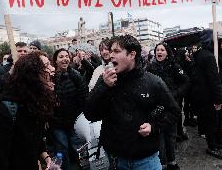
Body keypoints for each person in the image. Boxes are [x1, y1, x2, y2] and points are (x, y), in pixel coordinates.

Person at [84, 35, 180, 170]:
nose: (111, 55)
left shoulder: (153, 82)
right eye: (110, 51)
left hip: (146, 160)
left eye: (116, 51)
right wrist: (104, 87)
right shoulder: (106, 79)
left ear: (132, 54)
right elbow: (90, 114)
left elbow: (174, 111)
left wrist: (153, 126)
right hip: (115, 159)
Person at [0, 52, 60, 170]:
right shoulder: (3, 112)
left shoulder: (34, 105)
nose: (52, 69)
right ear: (32, 75)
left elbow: (33, 139)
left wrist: (45, 157)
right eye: (46, 66)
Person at [146, 43, 189, 170]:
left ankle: (172, 162)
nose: (159, 52)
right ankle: (162, 164)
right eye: (157, 50)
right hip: (157, 108)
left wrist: (175, 94)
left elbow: (186, 82)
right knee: (159, 139)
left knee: (171, 136)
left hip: (171, 108)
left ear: (167, 52)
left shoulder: (174, 66)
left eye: (162, 50)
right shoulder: (150, 67)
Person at [191, 29, 222, 160]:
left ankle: (219, 142)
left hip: (203, 95)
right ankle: (212, 146)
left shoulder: (200, 54)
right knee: (212, 122)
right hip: (209, 97)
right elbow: (213, 80)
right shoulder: (208, 56)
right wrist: (218, 99)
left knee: (217, 120)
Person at [50, 48, 88, 170]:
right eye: (61, 56)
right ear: (55, 60)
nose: (64, 59)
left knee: (78, 149)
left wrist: (80, 117)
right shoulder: (50, 78)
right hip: (57, 123)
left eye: (66, 56)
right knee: (61, 150)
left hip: (74, 122)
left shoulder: (76, 75)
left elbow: (83, 97)